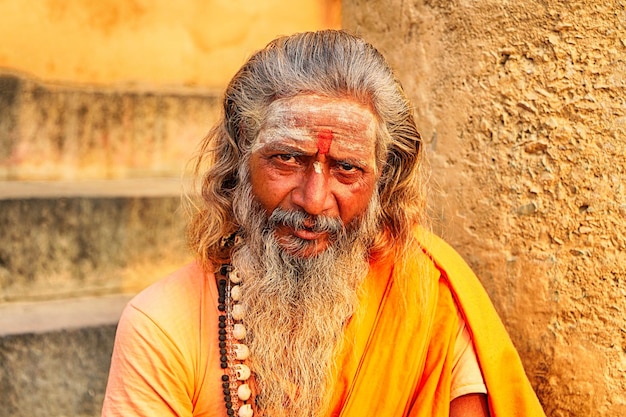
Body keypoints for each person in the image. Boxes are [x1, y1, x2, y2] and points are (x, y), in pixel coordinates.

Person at [102, 30, 545, 417]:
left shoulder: (427, 296)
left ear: (383, 182)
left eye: (347, 169)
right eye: (286, 158)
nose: (313, 202)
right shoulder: (161, 325)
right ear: (240, 162)